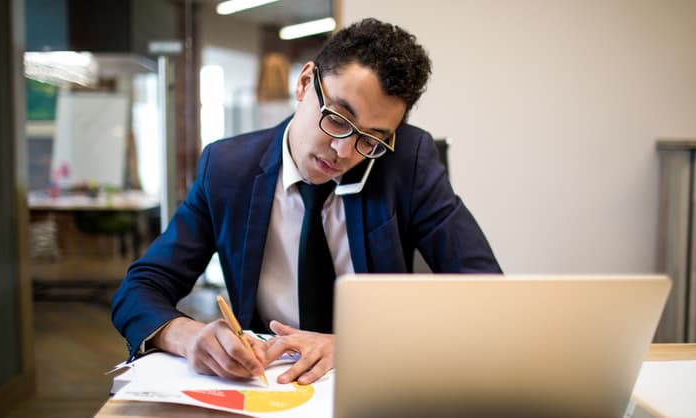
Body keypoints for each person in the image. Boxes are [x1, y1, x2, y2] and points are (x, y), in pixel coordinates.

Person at [112, 17, 501, 387]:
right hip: (268, 382)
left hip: (374, 378)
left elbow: (487, 296)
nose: (343, 150)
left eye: (371, 138)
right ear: (303, 84)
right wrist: (187, 336)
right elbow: (141, 287)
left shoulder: (407, 161)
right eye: (337, 118)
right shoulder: (229, 169)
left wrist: (353, 348)